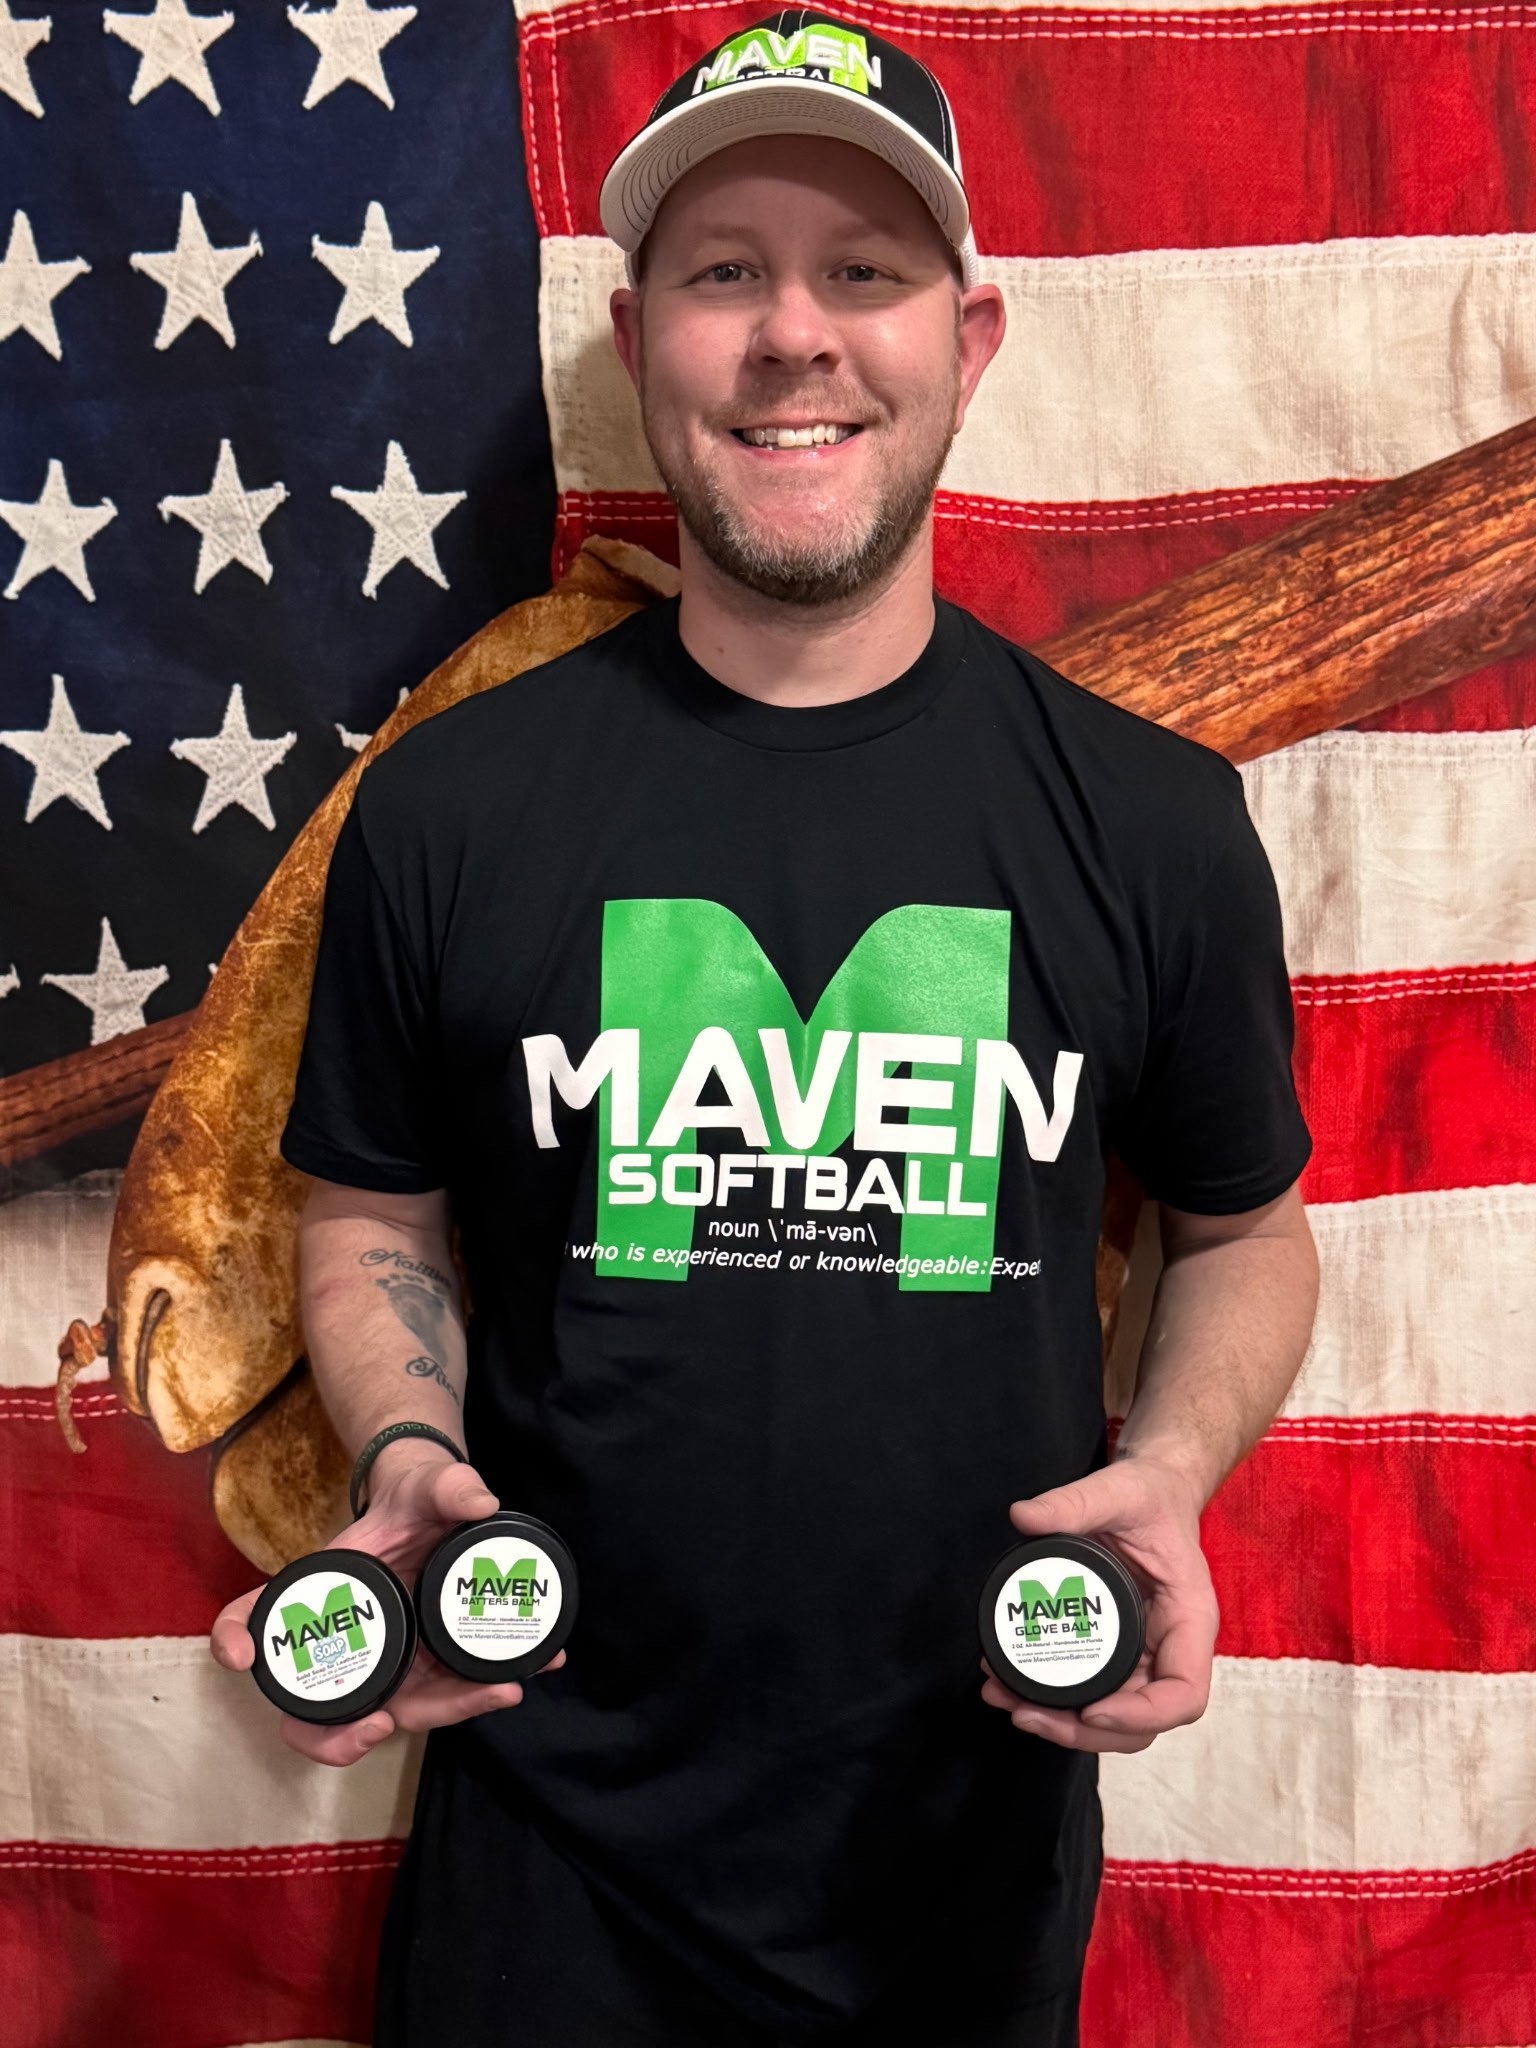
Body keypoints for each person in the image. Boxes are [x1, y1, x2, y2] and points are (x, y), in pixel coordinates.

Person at [211, 10, 1321, 2043]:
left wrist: (1171, 1466)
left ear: (966, 341)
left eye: (863, 271)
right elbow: (369, 1210)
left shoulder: (1153, 825)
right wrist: (407, 1444)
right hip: (543, 1868)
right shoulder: (450, 810)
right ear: (639, 341)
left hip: (964, 1864)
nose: (794, 335)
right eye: (727, 272)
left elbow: (1243, 1230)